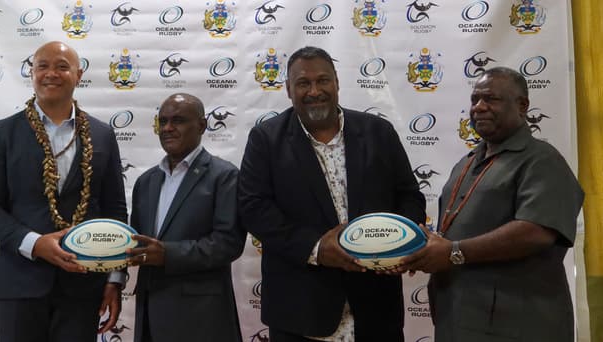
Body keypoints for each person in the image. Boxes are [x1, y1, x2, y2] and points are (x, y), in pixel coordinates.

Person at [238, 46, 426, 342]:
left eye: (323, 80)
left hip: (377, 308)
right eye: (303, 83)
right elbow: (254, 208)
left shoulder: (378, 132)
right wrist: (316, 248)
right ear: (288, 89)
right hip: (300, 312)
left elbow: (409, 196)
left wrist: (400, 244)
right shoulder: (265, 139)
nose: (314, 91)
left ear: (337, 82)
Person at [398, 67, 584, 342]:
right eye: (474, 100)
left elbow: (537, 231)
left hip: (517, 325)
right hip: (458, 318)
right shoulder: (467, 162)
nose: (479, 107)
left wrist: (453, 253)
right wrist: (425, 249)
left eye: (491, 99)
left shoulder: (542, 160)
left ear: (522, 106)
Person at [0, 41, 127, 342]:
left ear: (79, 75)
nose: (50, 73)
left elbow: (115, 211)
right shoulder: (3, 134)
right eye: (42, 66)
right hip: (19, 284)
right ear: (32, 73)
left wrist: (115, 278)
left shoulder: (103, 135)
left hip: (83, 288)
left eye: (61, 66)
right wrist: (35, 243)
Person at [127, 93, 245, 342]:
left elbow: (228, 244)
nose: (168, 128)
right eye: (163, 121)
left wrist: (168, 254)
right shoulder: (146, 181)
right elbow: (135, 241)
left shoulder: (225, 176)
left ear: (202, 125)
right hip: (150, 312)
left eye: (178, 120)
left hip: (202, 318)